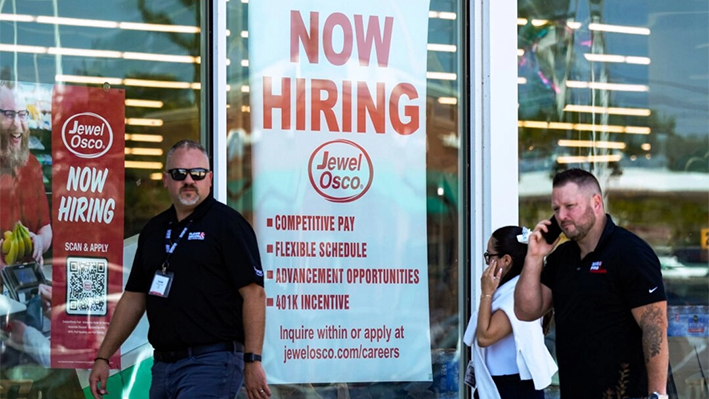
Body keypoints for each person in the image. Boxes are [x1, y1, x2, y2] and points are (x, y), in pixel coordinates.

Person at [89, 140, 271, 399]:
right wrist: (103, 357)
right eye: (179, 174)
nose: (188, 180)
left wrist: (253, 360)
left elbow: (254, 295)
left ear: (209, 179)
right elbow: (133, 298)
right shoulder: (154, 231)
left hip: (211, 362)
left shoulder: (227, 225)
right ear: (166, 180)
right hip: (163, 366)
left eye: (196, 174)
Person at [514, 168, 669, 399]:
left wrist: (658, 395)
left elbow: (654, 327)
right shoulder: (561, 258)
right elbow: (526, 310)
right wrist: (534, 256)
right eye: (556, 209)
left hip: (625, 393)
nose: (561, 216)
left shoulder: (630, 253)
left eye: (570, 206)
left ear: (596, 202)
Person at [463, 226, 557, 399]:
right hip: (505, 383)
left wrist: (486, 293)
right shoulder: (512, 289)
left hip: (511, 387)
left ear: (506, 260)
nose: (486, 262)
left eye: (488, 256)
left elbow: (485, 337)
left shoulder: (517, 294)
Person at [0, 80, 53, 267]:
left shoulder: (32, 165)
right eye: (8, 114)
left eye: (22, 115)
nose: (17, 124)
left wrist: (40, 242)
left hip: (27, 284)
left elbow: (45, 228)